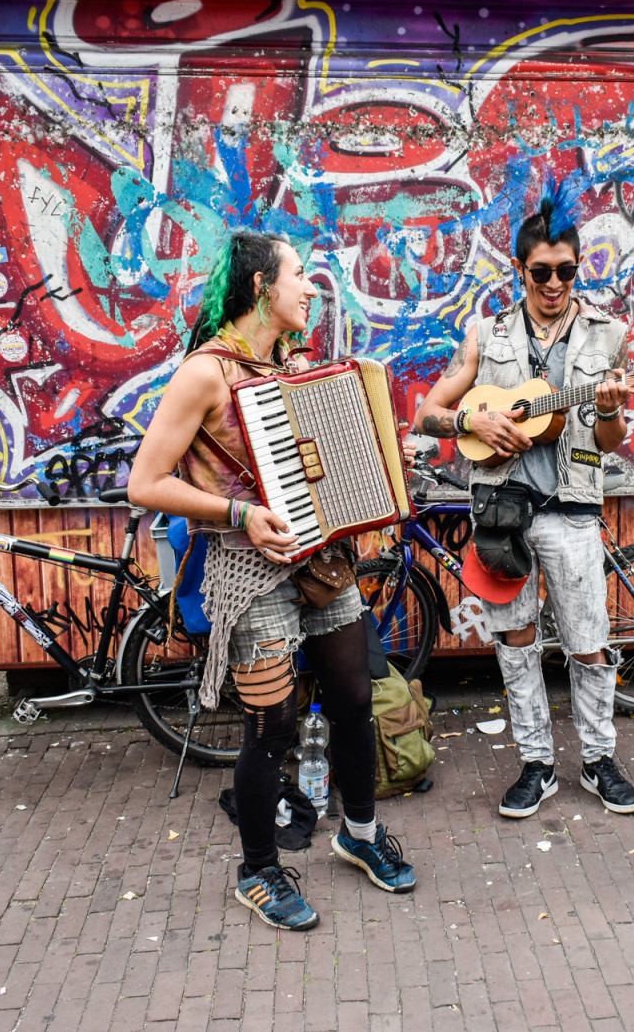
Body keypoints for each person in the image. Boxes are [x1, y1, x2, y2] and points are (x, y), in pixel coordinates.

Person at [127, 229, 415, 931]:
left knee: (353, 696)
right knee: (272, 724)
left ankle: (360, 835)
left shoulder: (291, 364)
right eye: (300, 276)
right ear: (262, 286)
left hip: (323, 560)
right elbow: (144, 481)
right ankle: (257, 872)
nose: (312, 289)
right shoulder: (206, 373)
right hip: (248, 571)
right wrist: (239, 513)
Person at [409, 198, 634, 818]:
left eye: (567, 271)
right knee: (515, 641)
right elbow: (427, 413)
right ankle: (536, 764)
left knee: (588, 642)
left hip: (572, 510)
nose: (556, 285)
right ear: (519, 269)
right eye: (542, 272)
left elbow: (612, 438)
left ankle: (598, 760)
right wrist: (472, 418)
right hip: (503, 513)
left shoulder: (608, 336)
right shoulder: (486, 337)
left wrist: (613, 406)